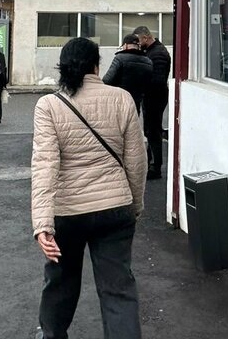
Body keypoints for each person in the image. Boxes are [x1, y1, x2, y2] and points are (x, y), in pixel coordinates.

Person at [31, 37, 146, 339]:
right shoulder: (122, 99)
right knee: (118, 290)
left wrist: (42, 224)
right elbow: (136, 160)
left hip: (68, 213)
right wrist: (134, 205)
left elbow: (45, 165)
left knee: (60, 283)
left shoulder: (49, 105)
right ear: (97, 65)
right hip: (115, 209)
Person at [134, 26, 170, 180]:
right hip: (152, 96)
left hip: (155, 97)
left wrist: (142, 83)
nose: (138, 43)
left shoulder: (158, 54)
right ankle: (150, 164)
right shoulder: (153, 51)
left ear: (146, 38)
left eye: (139, 40)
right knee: (150, 131)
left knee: (154, 132)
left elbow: (158, 80)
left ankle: (155, 168)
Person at [102, 33, 153, 113]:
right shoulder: (148, 62)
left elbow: (107, 80)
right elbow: (149, 85)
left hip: (119, 102)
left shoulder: (120, 58)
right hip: (136, 104)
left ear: (125, 45)